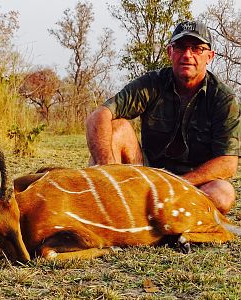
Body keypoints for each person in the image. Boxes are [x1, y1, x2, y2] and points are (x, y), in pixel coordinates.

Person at [86, 20, 240, 215]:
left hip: (191, 186)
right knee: (117, 127)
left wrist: (177, 183)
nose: (187, 55)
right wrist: (107, 169)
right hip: (146, 178)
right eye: (180, 47)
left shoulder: (223, 98)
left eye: (197, 49)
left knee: (223, 194)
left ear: (209, 56)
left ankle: (153, 215)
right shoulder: (151, 83)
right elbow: (98, 116)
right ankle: (117, 203)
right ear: (170, 52)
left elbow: (228, 163)